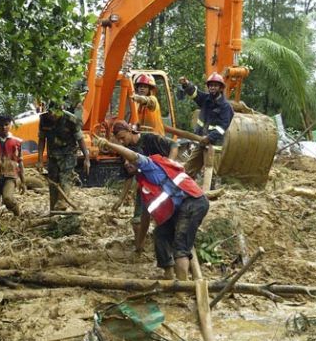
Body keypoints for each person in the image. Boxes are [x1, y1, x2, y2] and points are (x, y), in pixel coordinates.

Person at [93, 135, 209, 283]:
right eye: (125, 162)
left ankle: (182, 288)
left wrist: (109, 145)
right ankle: (168, 274)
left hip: (193, 202)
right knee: (160, 233)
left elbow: (133, 156)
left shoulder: (150, 164)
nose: (127, 164)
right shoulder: (144, 186)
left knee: (181, 247)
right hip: (180, 208)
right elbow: (145, 218)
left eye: (129, 161)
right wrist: (138, 246)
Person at [111, 120, 178, 253]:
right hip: (145, 187)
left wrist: (169, 165)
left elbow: (174, 145)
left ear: (130, 131)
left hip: (162, 184)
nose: (122, 142)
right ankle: (139, 249)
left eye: (123, 138)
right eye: (119, 140)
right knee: (138, 220)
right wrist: (120, 199)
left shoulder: (150, 139)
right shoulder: (127, 150)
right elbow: (128, 176)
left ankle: (169, 249)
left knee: (166, 218)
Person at [178, 73, 234, 180]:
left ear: (221, 88)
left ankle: (211, 194)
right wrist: (186, 84)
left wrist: (209, 137)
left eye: (215, 85)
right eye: (211, 85)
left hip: (213, 145)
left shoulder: (225, 107)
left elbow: (222, 127)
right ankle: (185, 191)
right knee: (189, 169)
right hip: (200, 142)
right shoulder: (205, 99)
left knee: (210, 174)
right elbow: (195, 93)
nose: (212, 87)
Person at [37, 102, 90, 211]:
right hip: (53, 155)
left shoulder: (71, 120)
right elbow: (42, 139)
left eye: (56, 113)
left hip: (68, 154)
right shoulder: (43, 119)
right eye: (51, 113)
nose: (53, 116)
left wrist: (87, 158)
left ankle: (62, 206)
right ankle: (54, 210)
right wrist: (40, 160)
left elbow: (80, 139)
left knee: (65, 180)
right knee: (53, 183)